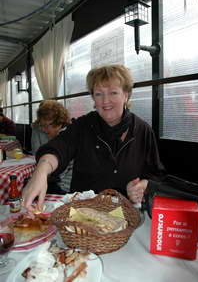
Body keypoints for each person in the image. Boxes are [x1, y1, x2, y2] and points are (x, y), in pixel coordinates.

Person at [22, 64, 166, 211]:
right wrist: (41, 171)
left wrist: (143, 185)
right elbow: (59, 148)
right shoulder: (83, 125)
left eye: (113, 93)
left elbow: (155, 174)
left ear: (126, 95)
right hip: (83, 216)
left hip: (126, 216)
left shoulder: (143, 130)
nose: (105, 101)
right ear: (93, 98)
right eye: (98, 94)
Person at [31, 100, 73, 194]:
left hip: (65, 186)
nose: (43, 129)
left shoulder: (68, 135)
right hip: (53, 180)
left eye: (46, 125)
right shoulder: (43, 131)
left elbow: (66, 172)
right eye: (42, 125)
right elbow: (37, 154)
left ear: (58, 123)